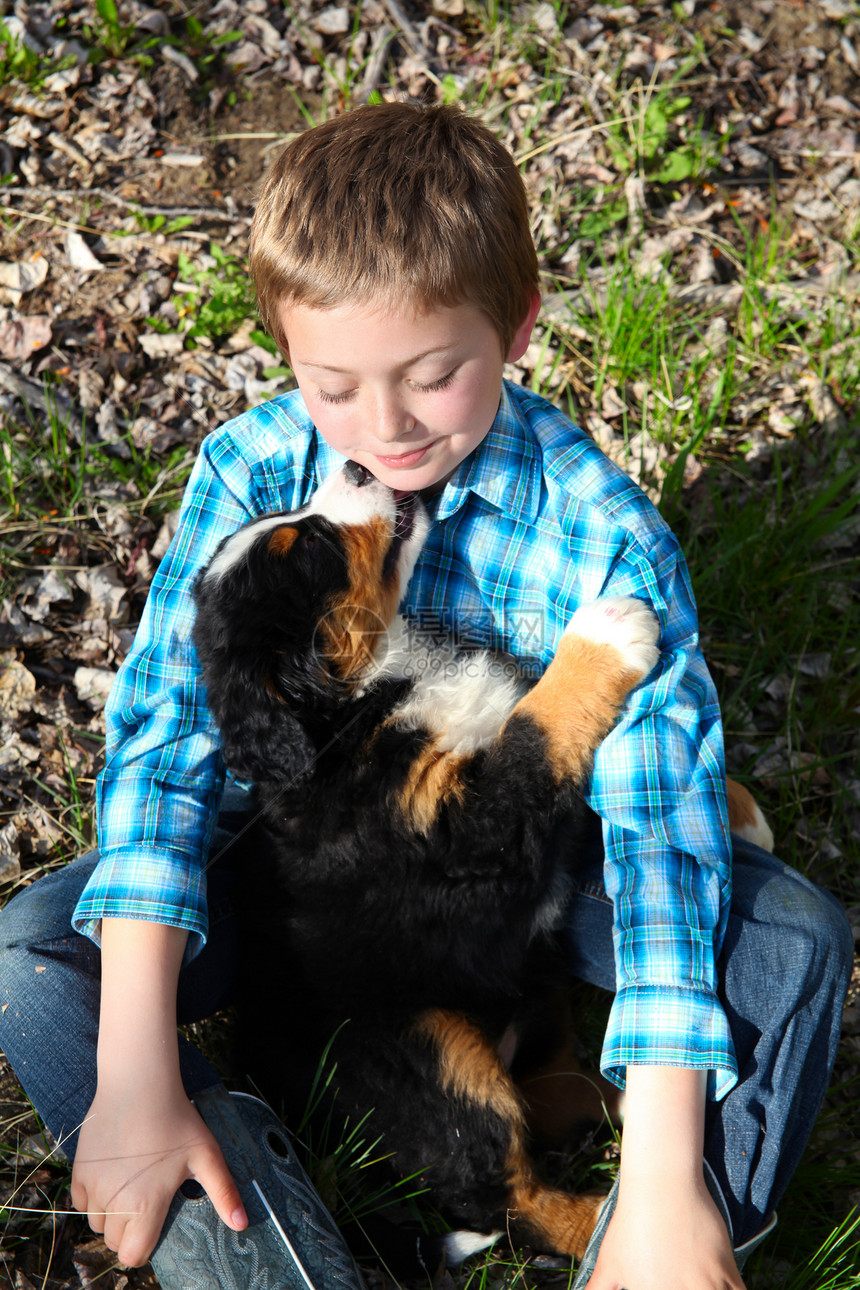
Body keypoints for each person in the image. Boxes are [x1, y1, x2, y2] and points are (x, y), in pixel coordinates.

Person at [0, 102, 851, 1290]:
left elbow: (659, 830)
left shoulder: (601, 531)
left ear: (513, 330)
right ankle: (258, 1238)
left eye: (434, 375)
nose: (382, 432)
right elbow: (169, 742)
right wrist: (135, 1065)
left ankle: (658, 1230)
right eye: (331, 386)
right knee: (37, 957)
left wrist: (657, 1163)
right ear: (284, 356)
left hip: (540, 870)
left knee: (792, 942)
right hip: (321, 901)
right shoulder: (253, 465)